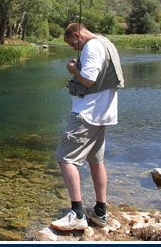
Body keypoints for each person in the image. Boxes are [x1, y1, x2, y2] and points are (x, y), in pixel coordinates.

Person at [50, 22, 124, 231]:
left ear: (77, 35)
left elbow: (89, 80)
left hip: (87, 114)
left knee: (65, 158)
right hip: (103, 114)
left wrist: (74, 69)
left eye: (72, 43)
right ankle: (101, 212)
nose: (74, 48)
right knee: (95, 161)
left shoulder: (91, 46)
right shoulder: (106, 43)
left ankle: (77, 215)